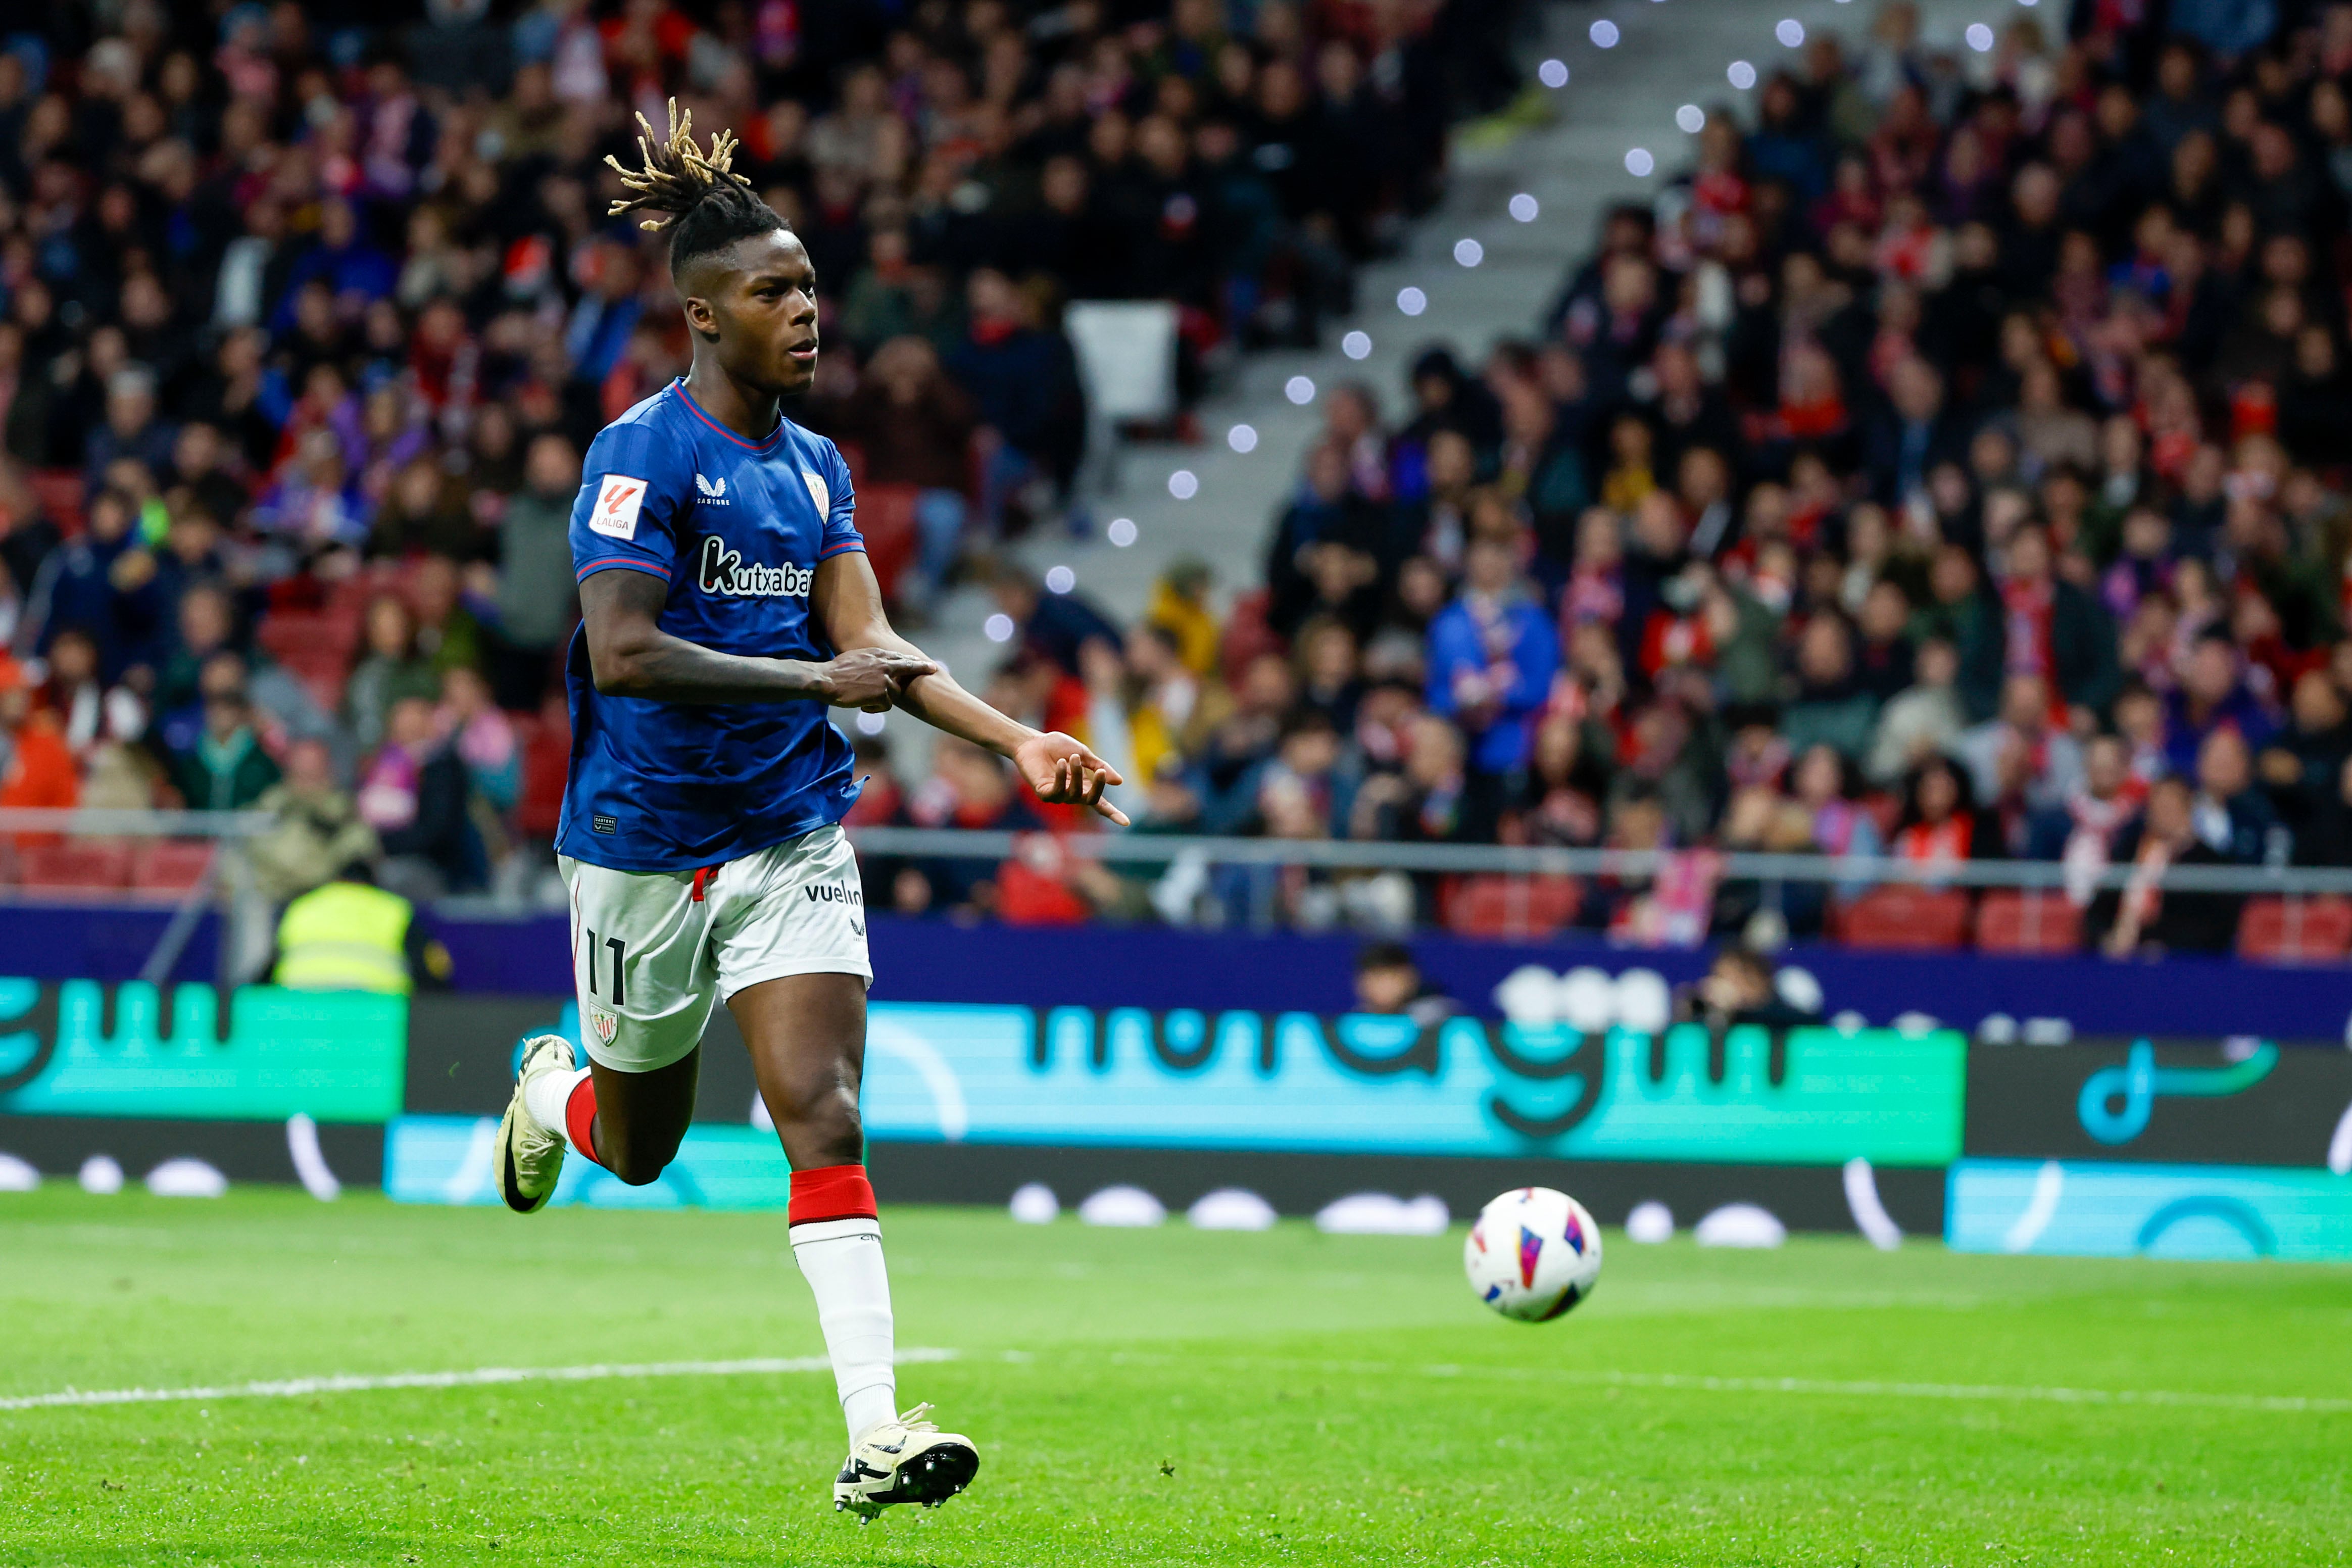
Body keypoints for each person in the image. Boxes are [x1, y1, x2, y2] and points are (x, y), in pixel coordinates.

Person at [491, 106, 1122, 1522]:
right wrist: (811, 675)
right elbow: (624, 651)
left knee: (822, 1116)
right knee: (640, 1147)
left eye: (811, 290)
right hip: (643, 847)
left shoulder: (818, 468)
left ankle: (878, 1434)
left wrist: (1019, 738)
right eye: (776, 293)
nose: (806, 313)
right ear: (705, 317)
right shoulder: (639, 456)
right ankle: (553, 1093)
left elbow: (879, 656)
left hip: (788, 832)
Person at [270, 860, 451, 994]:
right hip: (377, 1004)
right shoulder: (395, 910)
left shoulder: (301, 906)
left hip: (299, 999)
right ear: (375, 884)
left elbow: (272, 962)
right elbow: (428, 970)